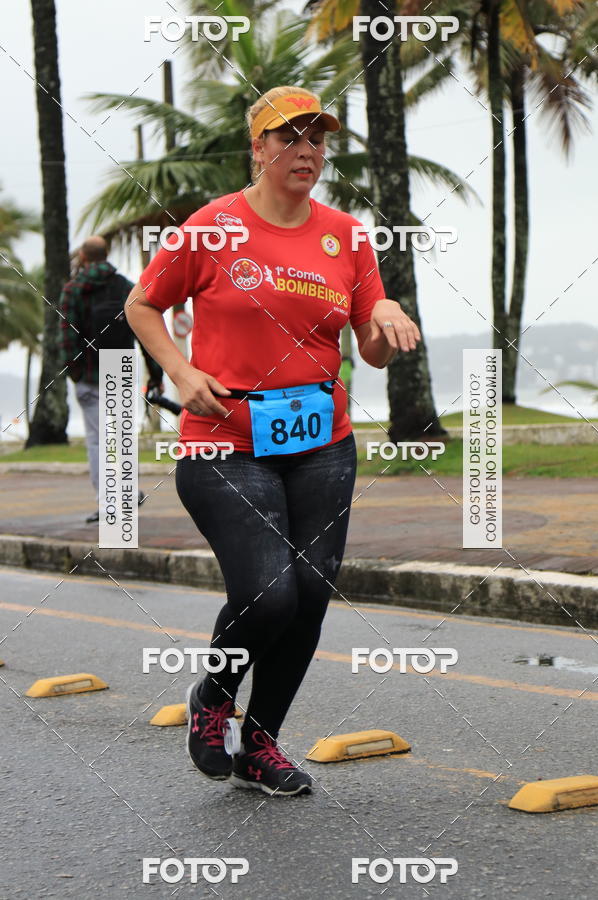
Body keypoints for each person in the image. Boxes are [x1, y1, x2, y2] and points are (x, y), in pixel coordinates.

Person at [125, 85, 421, 797]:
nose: (307, 152)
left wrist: (381, 315)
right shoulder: (211, 227)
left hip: (323, 441)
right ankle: (215, 699)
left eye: (317, 140)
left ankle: (260, 744)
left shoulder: (346, 236)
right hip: (224, 441)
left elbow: (371, 353)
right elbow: (144, 304)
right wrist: (181, 368)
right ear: (257, 148)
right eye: (289, 138)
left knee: (312, 595)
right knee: (271, 595)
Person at [59, 236, 162, 522]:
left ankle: (108, 506)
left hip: (90, 375)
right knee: (121, 438)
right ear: (107, 254)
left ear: (83, 256)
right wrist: (155, 375)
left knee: (98, 442)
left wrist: (75, 372)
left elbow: (66, 336)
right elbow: (146, 334)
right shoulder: (126, 288)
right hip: (121, 371)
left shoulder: (73, 290)